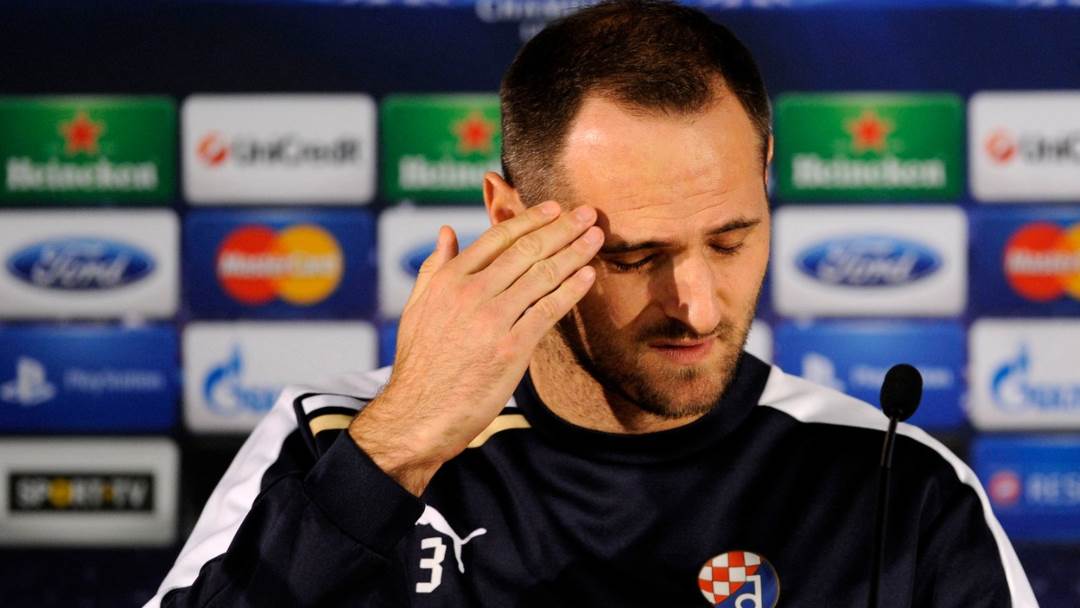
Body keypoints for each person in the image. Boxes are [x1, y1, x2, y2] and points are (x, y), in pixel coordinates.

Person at [148, 1, 1036, 606]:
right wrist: (395, 448)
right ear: (511, 220)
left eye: (730, 241)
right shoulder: (332, 442)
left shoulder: (899, 485)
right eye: (633, 256)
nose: (697, 307)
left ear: (766, 176)